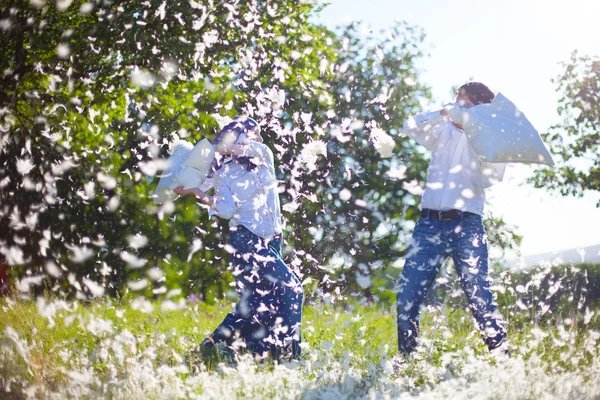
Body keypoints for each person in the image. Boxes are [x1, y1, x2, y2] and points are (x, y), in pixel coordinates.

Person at [175, 117, 303, 363]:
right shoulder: (223, 172)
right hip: (245, 239)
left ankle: (219, 347)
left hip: (272, 241)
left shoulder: (263, 155)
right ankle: (290, 357)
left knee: (256, 305)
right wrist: (198, 192)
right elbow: (225, 209)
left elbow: (241, 148)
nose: (259, 134)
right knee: (291, 289)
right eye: (253, 129)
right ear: (241, 133)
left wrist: (221, 148)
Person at [396, 82, 508, 357]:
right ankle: (408, 360)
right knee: (406, 297)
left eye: (463, 100)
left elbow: (491, 178)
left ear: (478, 106)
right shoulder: (440, 130)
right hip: (429, 225)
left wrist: (476, 139)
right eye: (456, 99)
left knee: (479, 296)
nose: (458, 104)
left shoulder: (489, 137)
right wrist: (443, 114)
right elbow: (409, 126)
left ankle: (505, 362)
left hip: (466, 225)